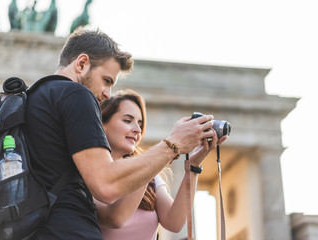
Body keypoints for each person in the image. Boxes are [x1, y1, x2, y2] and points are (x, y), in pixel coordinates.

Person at [24, 27, 216, 239]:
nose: (107, 94)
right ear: (81, 63)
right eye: (106, 80)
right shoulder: (77, 94)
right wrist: (173, 143)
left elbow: (172, 221)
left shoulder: (34, 97)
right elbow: (106, 186)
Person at [95, 89, 227, 239]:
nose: (137, 130)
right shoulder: (89, 172)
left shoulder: (151, 177)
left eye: (140, 123)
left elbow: (175, 223)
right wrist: (169, 148)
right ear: (102, 124)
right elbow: (115, 218)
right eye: (127, 120)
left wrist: (194, 165)